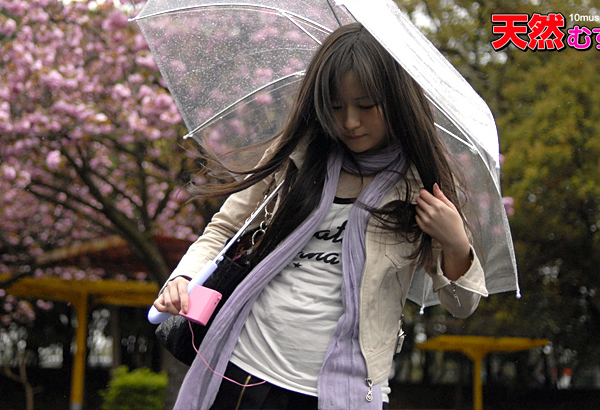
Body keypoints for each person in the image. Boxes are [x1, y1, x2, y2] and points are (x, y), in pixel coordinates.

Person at [154, 22, 488, 410]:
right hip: (239, 367)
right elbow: (225, 229)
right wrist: (184, 276)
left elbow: (462, 306)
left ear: (396, 101)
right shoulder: (296, 156)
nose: (349, 121)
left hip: (341, 392)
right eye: (335, 106)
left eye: (365, 106)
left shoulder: (421, 189)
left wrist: (455, 242)